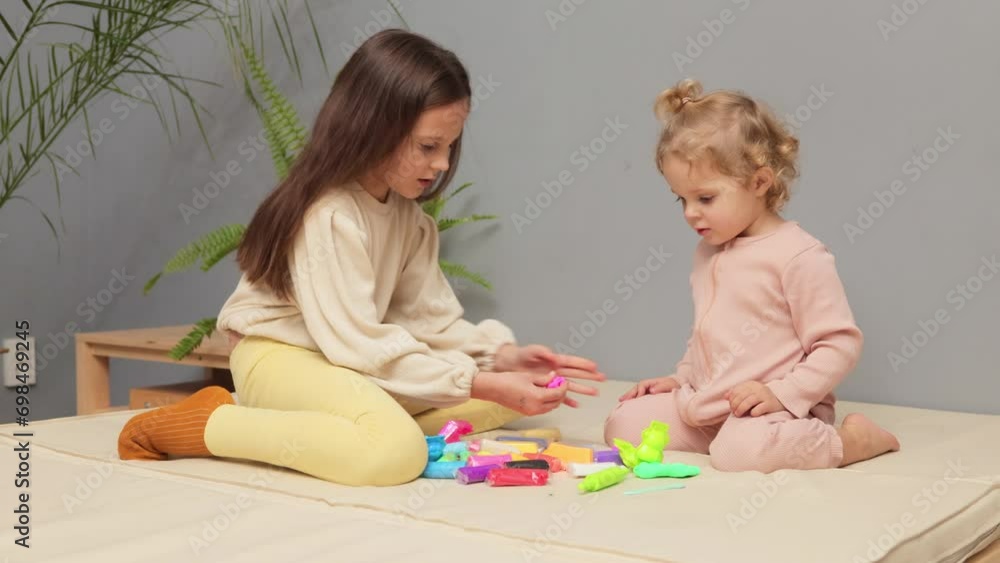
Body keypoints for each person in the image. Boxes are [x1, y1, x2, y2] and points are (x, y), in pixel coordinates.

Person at [118, 29, 604, 486]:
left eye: (449, 147)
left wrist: (500, 358)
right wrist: (478, 382)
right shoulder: (329, 215)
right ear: (375, 128)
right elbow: (359, 344)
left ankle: (376, 420)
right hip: (280, 357)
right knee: (395, 453)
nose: (441, 164)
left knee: (505, 397)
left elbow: (429, 321)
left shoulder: (410, 221)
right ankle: (207, 423)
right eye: (428, 146)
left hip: (344, 360)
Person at [604, 79, 899, 473]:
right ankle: (723, 434)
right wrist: (680, 378)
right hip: (710, 404)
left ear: (759, 182)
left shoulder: (798, 255)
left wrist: (783, 393)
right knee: (623, 423)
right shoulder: (707, 252)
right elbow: (706, 336)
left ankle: (852, 440)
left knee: (738, 453)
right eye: (682, 199)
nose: (690, 213)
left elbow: (838, 344)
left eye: (705, 198)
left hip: (776, 409)